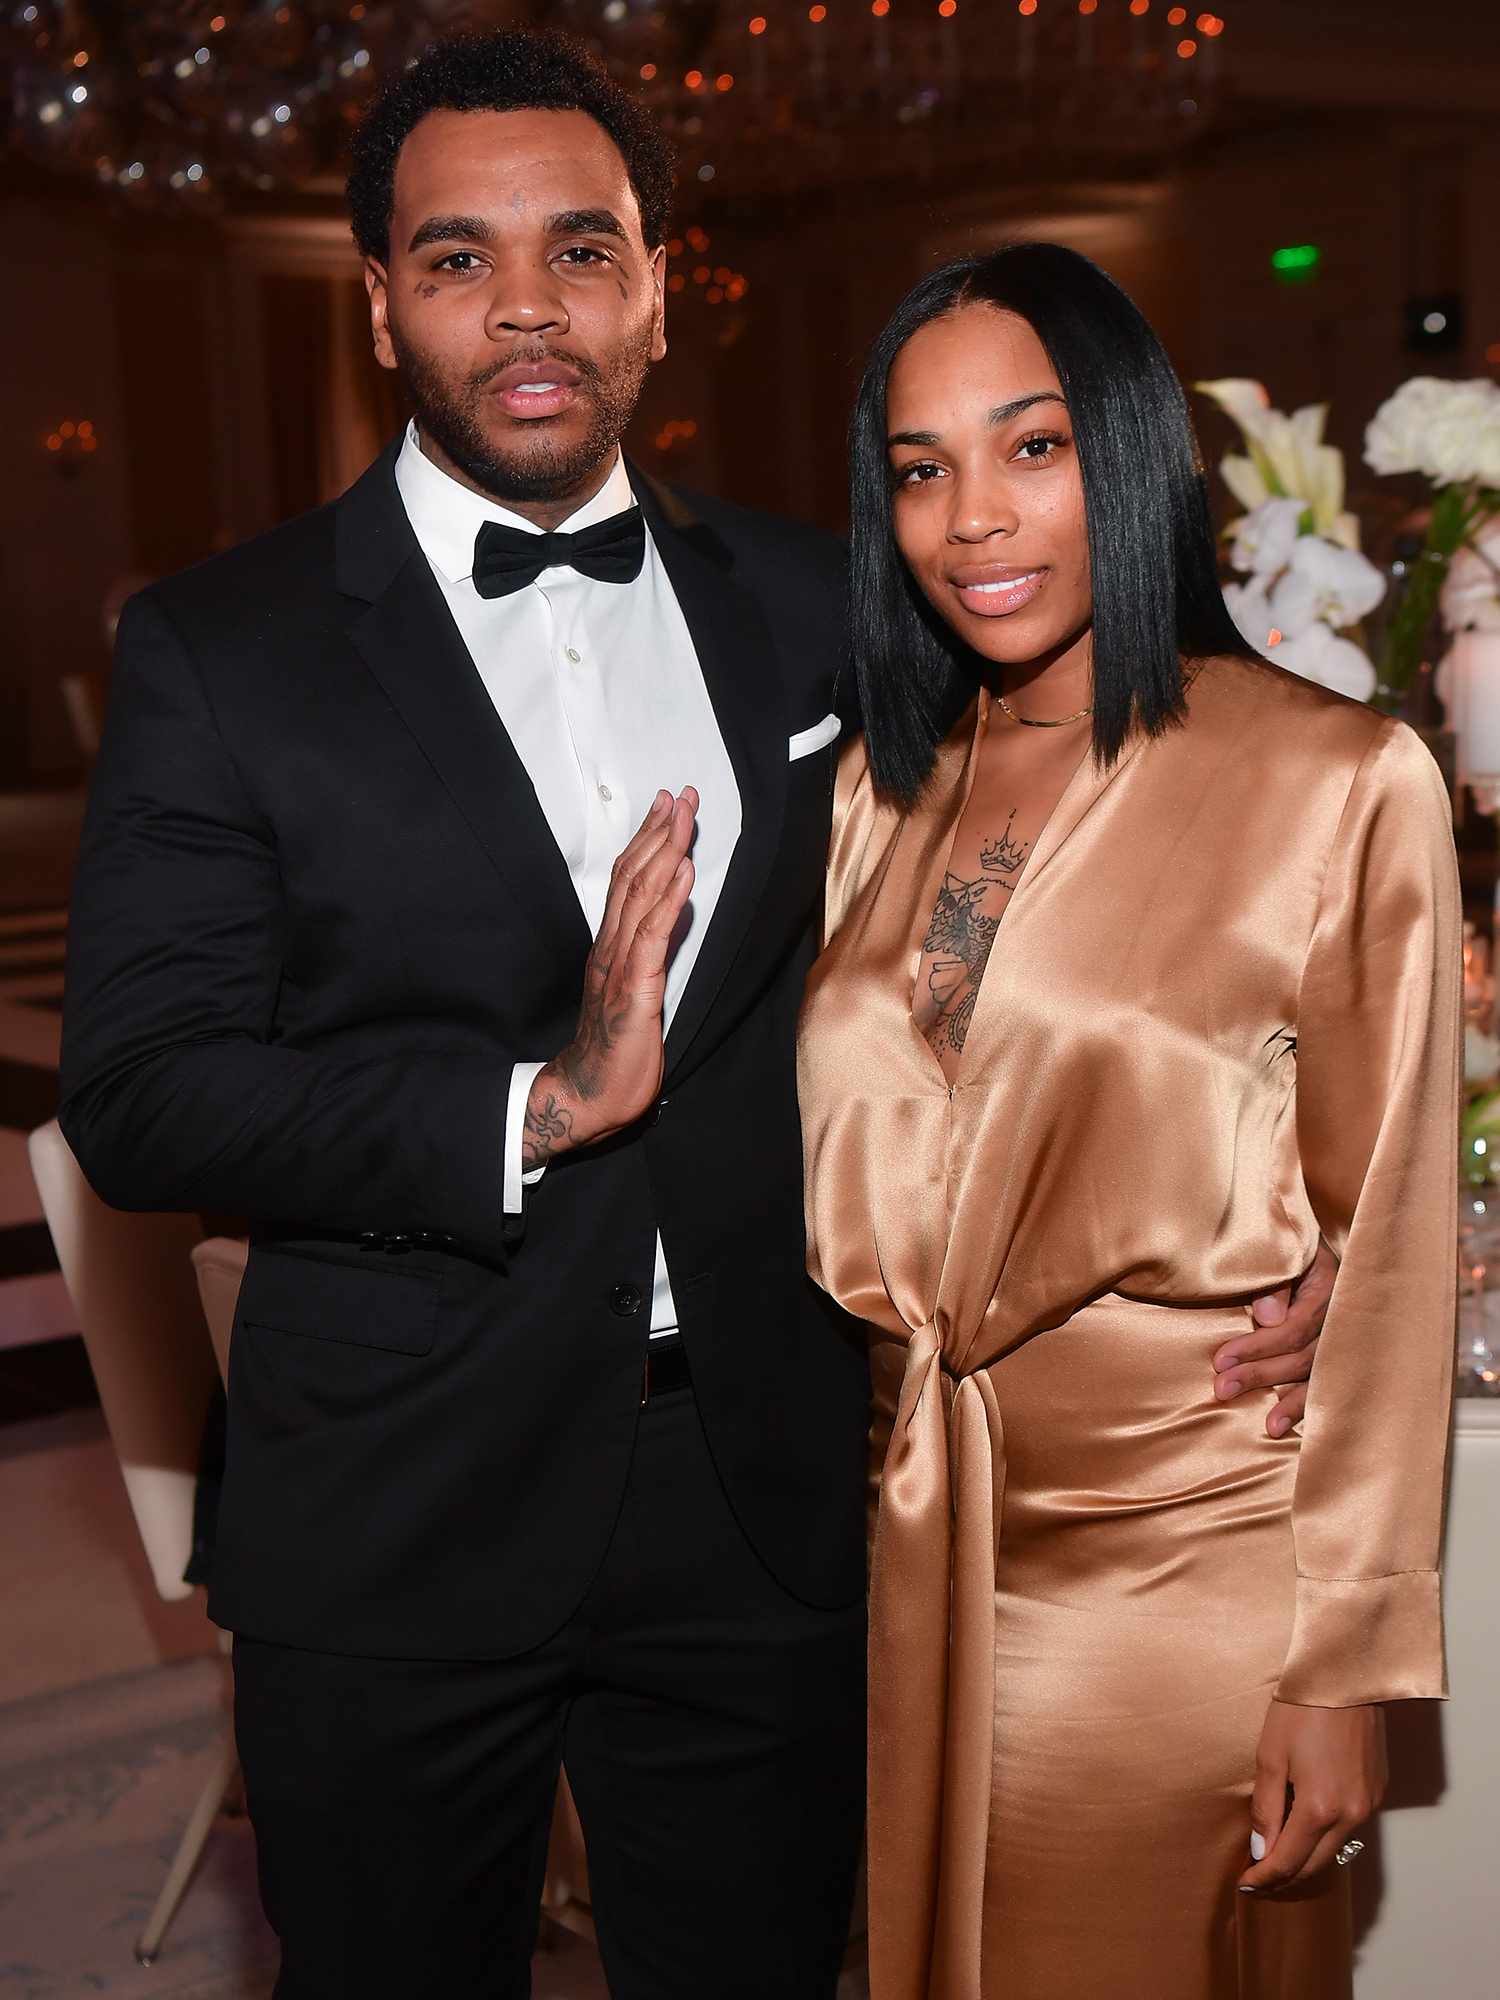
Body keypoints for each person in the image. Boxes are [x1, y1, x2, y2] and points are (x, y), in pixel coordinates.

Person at [59, 29, 1334, 1996]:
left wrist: (1279, 1200)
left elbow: (1080, 927)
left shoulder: (831, 599)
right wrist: (535, 1105)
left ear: (662, 287)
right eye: (460, 260)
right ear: (385, 306)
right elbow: (142, 1095)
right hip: (400, 1500)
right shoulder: (228, 650)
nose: (528, 306)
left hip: (758, 1486)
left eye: (582, 249)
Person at [798, 243, 1458, 2000]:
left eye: (1032, 449)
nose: (973, 520)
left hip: (1185, 1566)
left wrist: (1347, 1662)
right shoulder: (879, 786)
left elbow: (1387, 1244)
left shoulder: (1332, 779)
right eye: (921, 469)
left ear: (1135, 453)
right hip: (913, 1543)